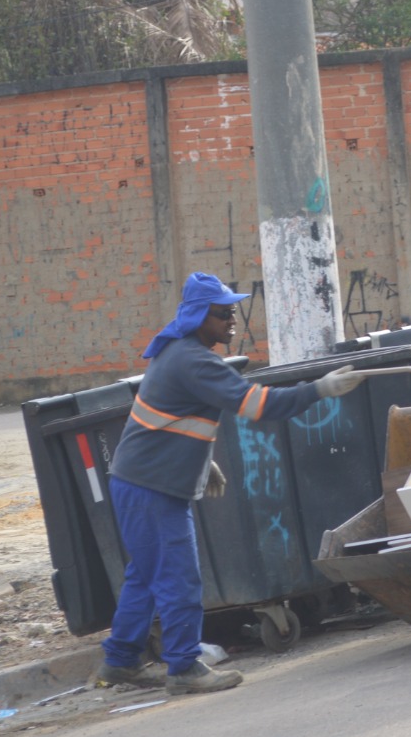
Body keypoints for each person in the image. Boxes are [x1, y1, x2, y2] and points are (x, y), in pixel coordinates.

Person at [97, 272, 366, 696]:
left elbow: (173, 417)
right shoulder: (193, 360)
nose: (232, 321)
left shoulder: (178, 353)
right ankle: (184, 668)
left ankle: (121, 661)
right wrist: (320, 389)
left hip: (140, 482)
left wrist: (204, 462)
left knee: (146, 576)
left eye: (233, 312)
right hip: (153, 488)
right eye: (222, 314)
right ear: (197, 317)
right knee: (179, 579)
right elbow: (259, 405)